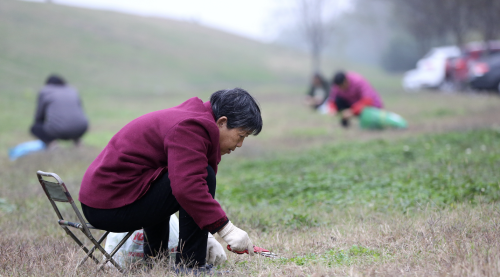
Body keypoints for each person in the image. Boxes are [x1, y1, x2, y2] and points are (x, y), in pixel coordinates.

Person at [79, 88, 262, 274]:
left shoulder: (194, 119)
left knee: (176, 176)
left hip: (109, 200)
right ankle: (191, 267)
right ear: (222, 122)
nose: (239, 145)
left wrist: (205, 233)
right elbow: (187, 188)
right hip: (108, 207)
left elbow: (162, 184)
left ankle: (156, 259)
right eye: (241, 136)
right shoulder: (191, 127)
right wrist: (227, 230)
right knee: (201, 177)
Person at [31, 74, 88, 147]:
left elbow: (39, 116)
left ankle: (52, 144)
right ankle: (77, 142)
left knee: (35, 127)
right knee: (70, 120)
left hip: (59, 131)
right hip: (82, 128)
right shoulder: (72, 90)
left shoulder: (45, 91)